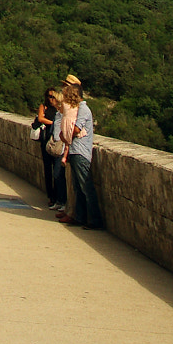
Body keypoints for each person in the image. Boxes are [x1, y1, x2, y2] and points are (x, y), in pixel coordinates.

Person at [53, 74, 103, 229]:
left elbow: (75, 129)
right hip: (75, 151)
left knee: (85, 187)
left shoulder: (83, 110)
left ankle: (95, 221)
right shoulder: (77, 109)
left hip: (80, 152)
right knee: (78, 187)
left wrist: (65, 133)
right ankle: (80, 217)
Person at [33, 87, 67, 207]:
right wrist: (53, 123)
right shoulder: (44, 107)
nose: (51, 99)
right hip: (46, 140)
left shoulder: (59, 110)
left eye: (53, 97)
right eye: (49, 96)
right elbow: (40, 118)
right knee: (48, 169)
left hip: (57, 142)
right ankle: (51, 197)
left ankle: (59, 198)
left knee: (57, 171)